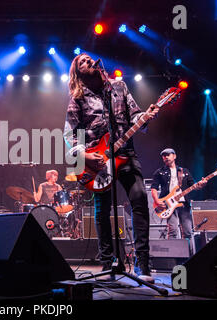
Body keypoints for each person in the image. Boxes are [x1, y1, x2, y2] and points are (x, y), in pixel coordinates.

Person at [64, 53, 159, 282]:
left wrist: (144, 118)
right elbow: (70, 134)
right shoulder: (77, 98)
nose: (88, 61)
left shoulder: (119, 87)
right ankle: (106, 263)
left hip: (125, 154)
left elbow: (135, 115)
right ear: (77, 72)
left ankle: (142, 266)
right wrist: (85, 156)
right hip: (96, 161)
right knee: (102, 211)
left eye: (89, 58)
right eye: (81, 62)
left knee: (139, 201)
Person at [151, 148, 207, 239]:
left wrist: (201, 185)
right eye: (163, 156)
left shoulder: (184, 171)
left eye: (168, 154)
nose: (166, 157)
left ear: (174, 156)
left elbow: (194, 186)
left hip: (183, 204)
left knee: (188, 232)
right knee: (173, 231)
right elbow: (154, 188)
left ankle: (189, 252)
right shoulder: (159, 172)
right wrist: (157, 201)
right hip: (168, 204)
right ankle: (174, 253)